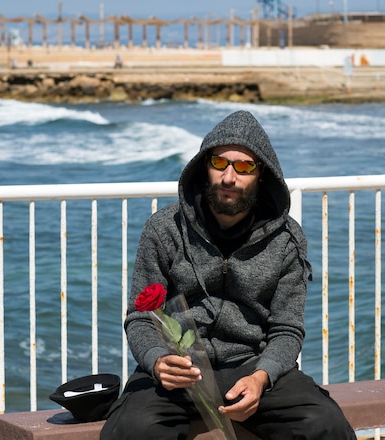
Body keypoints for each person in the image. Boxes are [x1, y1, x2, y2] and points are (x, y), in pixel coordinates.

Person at [100, 110, 356, 440]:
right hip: (179, 369)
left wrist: (262, 376)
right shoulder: (163, 230)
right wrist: (157, 360)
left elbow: (287, 329)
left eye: (244, 166)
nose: (229, 177)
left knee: (325, 424)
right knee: (134, 429)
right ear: (204, 167)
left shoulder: (287, 239)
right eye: (219, 163)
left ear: (262, 175)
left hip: (252, 364)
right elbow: (140, 317)